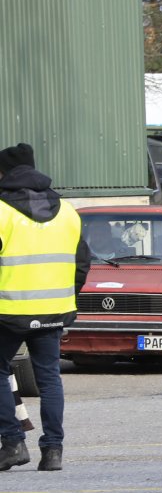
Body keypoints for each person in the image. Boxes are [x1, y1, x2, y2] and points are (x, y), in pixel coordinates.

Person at [0, 142, 89, 472]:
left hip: (8, 312)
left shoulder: (2, 211)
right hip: (54, 310)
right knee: (49, 379)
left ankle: (12, 443)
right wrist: (67, 297)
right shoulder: (67, 211)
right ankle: (53, 451)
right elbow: (82, 264)